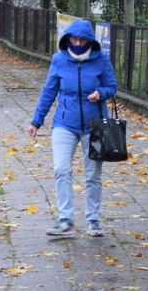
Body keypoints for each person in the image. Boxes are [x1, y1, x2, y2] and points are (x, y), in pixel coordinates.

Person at [27, 18, 118, 239]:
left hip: (94, 125)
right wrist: (36, 121)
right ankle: (65, 220)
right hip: (64, 123)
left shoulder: (102, 60)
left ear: (89, 41)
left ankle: (93, 220)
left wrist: (100, 93)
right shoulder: (59, 60)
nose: (77, 43)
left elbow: (111, 86)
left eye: (81, 40)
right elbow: (49, 91)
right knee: (61, 169)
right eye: (73, 39)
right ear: (67, 39)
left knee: (93, 175)